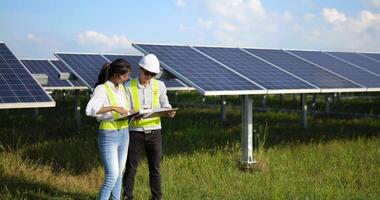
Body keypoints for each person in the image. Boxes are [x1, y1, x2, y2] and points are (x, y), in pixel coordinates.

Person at [123, 54, 176, 200]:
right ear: (140, 69)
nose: (149, 76)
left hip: (155, 133)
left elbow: (165, 103)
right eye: (147, 73)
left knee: (155, 168)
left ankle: (156, 197)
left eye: (153, 74)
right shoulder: (128, 86)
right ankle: (127, 196)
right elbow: (125, 109)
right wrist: (132, 113)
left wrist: (168, 111)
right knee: (131, 168)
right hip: (135, 133)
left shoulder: (160, 85)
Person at [86, 59, 132, 200]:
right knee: (111, 176)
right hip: (109, 135)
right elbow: (90, 110)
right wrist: (112, 107)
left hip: (124, 133)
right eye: (124, 76)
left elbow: (124, 110)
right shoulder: (102, 89)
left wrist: (133, 114)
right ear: (116, 74)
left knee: (119, 174)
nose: (126, 79)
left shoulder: (122, 89)